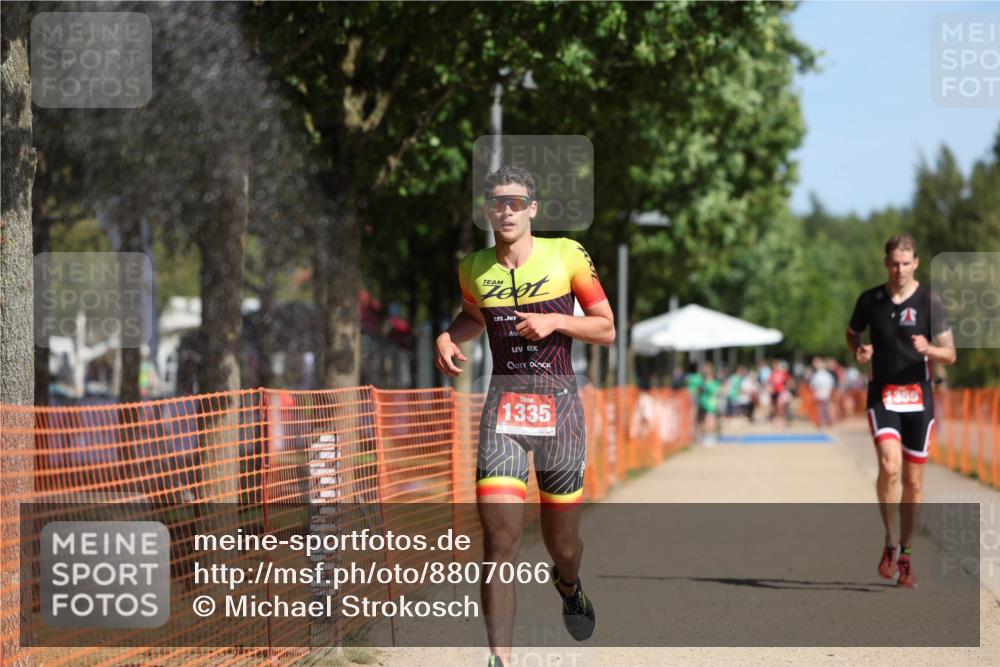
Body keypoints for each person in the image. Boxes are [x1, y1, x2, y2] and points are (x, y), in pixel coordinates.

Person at [435, 166, 615, 667]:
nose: (506, 210)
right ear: (487, 210)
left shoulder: (567, 254)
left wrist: (556, 319)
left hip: (561, 409)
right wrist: (449, 335)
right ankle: (501, 659)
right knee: (498, 542)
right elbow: (474, 317)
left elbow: (606, 329)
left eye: (516, 202)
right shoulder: (473, 267)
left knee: (563, 544)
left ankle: (569, 584)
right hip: (503, 413)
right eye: (497, 202)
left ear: (532, 208)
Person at [846, 234, 955, 589]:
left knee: (913, 482)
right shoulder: (870, 300)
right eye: (894, 263)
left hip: (919, 398)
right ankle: (890, 541)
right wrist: (859, 351)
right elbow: (852, 335)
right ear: (885, 263)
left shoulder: (930, 300)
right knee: (890, 468)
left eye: (906, 263)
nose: (900, 269)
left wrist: (930, 350)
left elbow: (950, 353)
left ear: (917, 263)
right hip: (883, 395)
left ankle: (906, 553)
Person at [809, 356, 835, 427]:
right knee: (827, 407)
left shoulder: (817, 375)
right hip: (826, 393)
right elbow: (832, 384)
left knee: (820, 408)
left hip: (819, 393)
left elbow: (813, 385)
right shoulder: (827, 375)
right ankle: (828, 421)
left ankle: (821, 421)